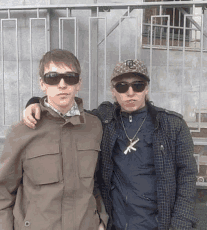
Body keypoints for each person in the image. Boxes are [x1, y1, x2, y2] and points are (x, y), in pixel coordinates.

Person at [23, 59, 198, 230]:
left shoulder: (172, 125)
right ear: (113, 91)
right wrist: (36, 103)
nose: (130, 92)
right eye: (122, 86)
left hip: (160, 223)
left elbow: (188, 178)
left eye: (138, 85)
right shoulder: (104, 119)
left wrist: (180, 225)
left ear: (147, 88)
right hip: (116, 223)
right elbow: (66, 111)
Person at [0, 49, 107, 230]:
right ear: (42, 84)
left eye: (70, 77)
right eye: (53, 78)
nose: (62, 85)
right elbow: (3, 194)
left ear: (79, 84)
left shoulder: (94, 126)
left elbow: (99, 181)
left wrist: (102, 220)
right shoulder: (22, 131)